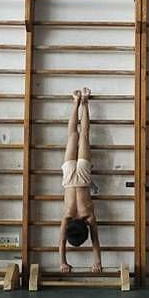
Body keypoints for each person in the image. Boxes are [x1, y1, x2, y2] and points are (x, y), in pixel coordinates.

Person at [59, 87, 101, 273]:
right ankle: (78, 102)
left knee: (80, 135)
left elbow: (95, 241)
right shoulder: (67, 217)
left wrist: (97, 261)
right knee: (75, 136)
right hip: (70, 178)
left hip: (81, 178)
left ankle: (83, 101)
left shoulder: (88, 216)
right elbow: (61, 243)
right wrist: (62, 261)